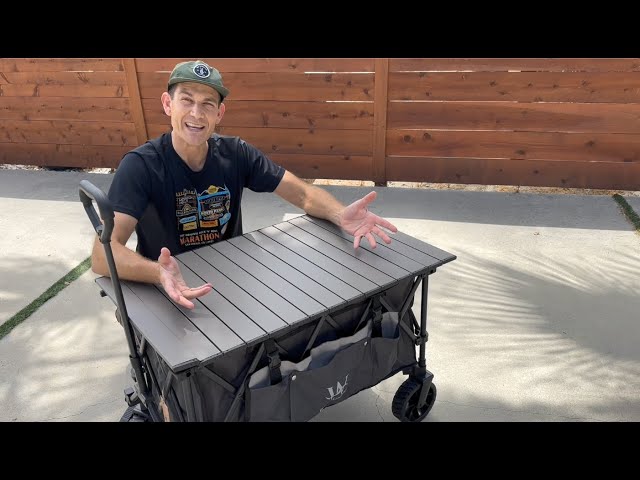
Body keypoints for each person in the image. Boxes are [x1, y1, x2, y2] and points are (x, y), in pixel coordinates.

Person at [91, 60, 398, 310]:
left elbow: (302, 193)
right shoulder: (141, 165)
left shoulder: (236, 153)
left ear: (219, 113)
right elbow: (102, 254)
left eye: (208, 104)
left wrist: (340, 214)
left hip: (233, 277)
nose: (196, 114)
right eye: (187, 100)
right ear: (167, 104)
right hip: (169, 282)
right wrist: (158, 272)